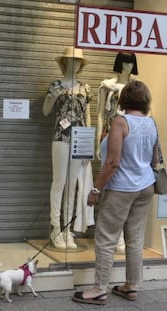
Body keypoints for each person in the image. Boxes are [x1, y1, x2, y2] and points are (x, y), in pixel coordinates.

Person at [72, 80, 158, 305]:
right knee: (135, 237)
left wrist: (95, 189)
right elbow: (154, 160)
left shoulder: (121, 122)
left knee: (107, 238)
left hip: (121, 189)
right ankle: (131, 286)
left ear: (123, 99)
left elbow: (112, 162)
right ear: (145, 100)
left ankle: (99, 289)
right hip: (145, 187)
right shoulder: (151, 123)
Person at [43, 46, 92, 249]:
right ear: (65, 63)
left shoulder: (85, 88)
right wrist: (53, 96)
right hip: (61, 136)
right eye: (71, 60)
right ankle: (55, 227)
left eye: (78, 61)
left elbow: (88, 116)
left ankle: (67, 229)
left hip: (80, 138)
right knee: (59, 182)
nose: (75, 64)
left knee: (73, 184)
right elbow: (46, 111)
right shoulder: (56, 85)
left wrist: (89, 146)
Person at [96, 52, 138, 254]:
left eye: (131, 62)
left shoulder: (137, 88)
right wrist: (97, 142)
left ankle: (120, 236)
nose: (128, 66)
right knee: (109, 185)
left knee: (124, 186)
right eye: (125, 62)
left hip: (128, 138)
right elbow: (101, 114)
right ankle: (111, 236)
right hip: (108, 136)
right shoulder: (107, 86)